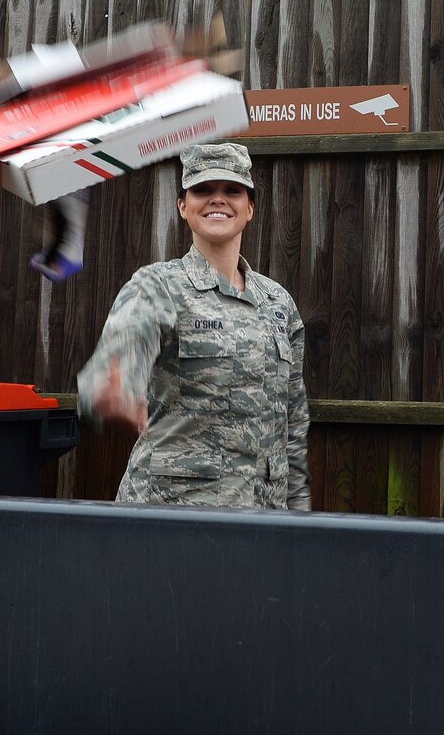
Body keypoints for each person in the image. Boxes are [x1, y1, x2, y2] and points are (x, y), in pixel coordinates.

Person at [77, 142, 310, 510]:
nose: (218, 199)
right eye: (203, 189)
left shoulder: (278, 304)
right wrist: (114, 388)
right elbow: (112, 367)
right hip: (173, 519)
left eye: (232, 190)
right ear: (183, 206)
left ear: (249, 208)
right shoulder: (156, 288)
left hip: (264, 521)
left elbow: (294, 421)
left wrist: (299, 514)